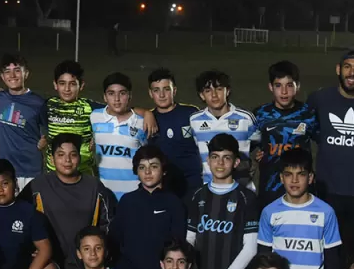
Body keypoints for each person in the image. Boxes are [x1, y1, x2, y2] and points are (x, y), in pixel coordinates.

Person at [306, 49, 354, 260]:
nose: (352, 73)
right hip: (327, 190)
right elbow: (301, 130)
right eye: (348, 67)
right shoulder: (320, 99)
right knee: (327, 251)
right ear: (338, 69)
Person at [108, 145, 185, 269]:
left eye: (153, 166)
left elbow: (178, 244)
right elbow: (115, 241)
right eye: (142, 167)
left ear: (163, 170)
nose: (148, 172)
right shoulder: (127, 201)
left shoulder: (173, 202)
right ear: (136, 172)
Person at [257, 148, 343, 269]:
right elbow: (263, 260)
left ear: (310, 178)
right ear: (281, 178)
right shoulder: (270, 212)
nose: (294, 180)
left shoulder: (326, 212)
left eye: (301, 174)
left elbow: (333, 263)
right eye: (288, 174)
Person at [20, 134, 116, 269]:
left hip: (87, 261)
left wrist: (100, 251)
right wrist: (30, 247)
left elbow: (108, 224)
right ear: (52, 159)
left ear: (79, 157)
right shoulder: (38, 186)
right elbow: (19, 217)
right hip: (50, 260)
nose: (67, 160)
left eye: (73, 155)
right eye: (61, 155)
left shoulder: (94, 187)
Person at [185, 134, 260, 269]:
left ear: (236, 162)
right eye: (215, 157)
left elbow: (250, 248)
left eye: (226, 158)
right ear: (208, 161)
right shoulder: (197, 196)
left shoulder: (247, 197)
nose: (220, 163)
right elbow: (189, 241)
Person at [251, 61, 318, 209]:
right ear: (270, 87)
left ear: (297, 87)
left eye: (289, 85)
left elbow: (324, 143)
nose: (284, 91)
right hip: (269, 189)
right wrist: (258, 155)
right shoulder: (261, 114)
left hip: (301, 190)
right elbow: (247, 145)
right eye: (278, 85)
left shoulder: (308, 114)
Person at [189, 70, 258, 189]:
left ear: (228, 91)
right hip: (210, 190)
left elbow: (259, 142)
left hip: (242, 189)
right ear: (201, 95)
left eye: (219, 89)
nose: (214, 95)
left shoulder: (246, 118)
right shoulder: (194, 121)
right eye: (208, 91)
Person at [91, 72, 149, 199]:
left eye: (122, 93)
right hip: (105, 195)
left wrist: (147, 113)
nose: (116, 99)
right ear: (104, 97)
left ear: (129, 96)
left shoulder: (141, 122)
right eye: (111, 93)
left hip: (134, 195)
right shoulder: (94, 117)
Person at [0, 53, 47, 190]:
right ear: (2, 77)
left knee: (30, 210)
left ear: (26, 74)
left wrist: (46, 139)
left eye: (17, 70)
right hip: (5, 169)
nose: (12, 75)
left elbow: (50, 129)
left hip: (30, 170)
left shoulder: (39, 103)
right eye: (7, 72)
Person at [147, 68, 203, 200]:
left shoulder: (191, 113)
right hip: (164, 185)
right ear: (150, 93)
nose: (161, 95)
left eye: (166, 89)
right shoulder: (148, 119)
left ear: (174, 90)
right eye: (156, 90)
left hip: (193, 184)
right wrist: (146, 113)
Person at [43, 60, 99, 177]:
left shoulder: (90, 107)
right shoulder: (48, 106)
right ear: (55, 84)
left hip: (83, 174)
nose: (67, 89)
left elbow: (118, 109)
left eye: (72, 84)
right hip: (54, 175)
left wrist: (147, 114)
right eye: (62, 83)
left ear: (81, 85)